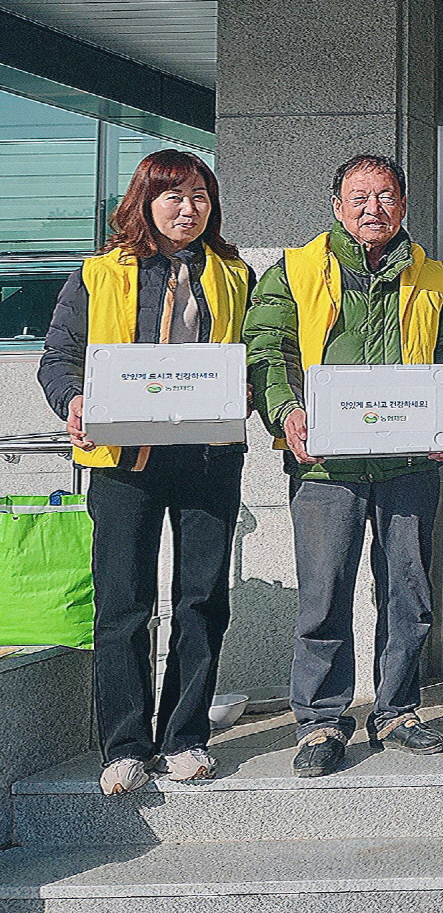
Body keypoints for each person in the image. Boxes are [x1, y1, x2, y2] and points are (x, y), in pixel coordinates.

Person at [245, 154, 443, 779]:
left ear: (403, 204)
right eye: (360, 197)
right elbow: (265, 350)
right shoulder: (293, 271)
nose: (374, 208)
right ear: (338, 205)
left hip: (407, 462)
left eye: (386, 196)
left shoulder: (432, 275)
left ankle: (398, 711)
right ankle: (321, 719)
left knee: (410, 591)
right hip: (325, 468)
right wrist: (286, 413)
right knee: (324, 594)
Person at [39, 151, 253, 796]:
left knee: (201, 599)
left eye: (199, 197)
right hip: (124, 463)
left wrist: (246, 393)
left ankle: (185, 735)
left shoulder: (234, 273)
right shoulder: (98, 274)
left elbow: (254, 353)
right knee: (124, 601)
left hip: (208, 457)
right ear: (145, 201)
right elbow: (58, 360)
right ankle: (125, 744)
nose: (187, 209)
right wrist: (74, 402)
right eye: (173, 197)